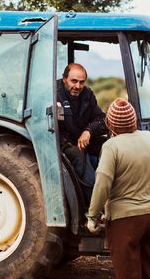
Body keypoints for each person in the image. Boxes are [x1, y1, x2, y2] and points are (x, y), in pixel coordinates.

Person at [86, 98, 150, 279]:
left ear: (110, 124)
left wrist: (93, 216)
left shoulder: (111, 146)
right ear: (134, 121)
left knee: (128, 271)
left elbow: (103, 183)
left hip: (125, 220)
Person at [57, 63, 107, 201]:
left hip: (84, 139)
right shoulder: (53, 94)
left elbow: (101, 118)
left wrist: (89, 131)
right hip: (62, 143)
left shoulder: (87, 94)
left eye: (81, 82)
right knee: (78, 155)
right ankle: (93, 203)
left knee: (110, 145)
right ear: (64, 79)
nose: (78, 86)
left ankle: (113, 188)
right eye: (74, 81)